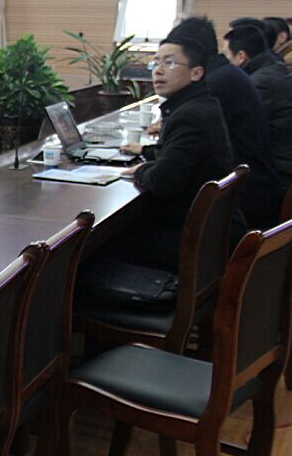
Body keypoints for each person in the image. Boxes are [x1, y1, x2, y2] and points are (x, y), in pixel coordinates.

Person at [116, 36, 237, 268]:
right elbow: (179, 156)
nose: (158, 71)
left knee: (95, 247)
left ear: (196, 73)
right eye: (155, 63)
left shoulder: (190, 115)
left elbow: (163, 181)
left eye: (169, 63)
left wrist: (141, 169)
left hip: (189, 241)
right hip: (208, 232)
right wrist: (151, 157)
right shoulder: (200, 104)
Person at [160, 17, 281, 229]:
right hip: (254, 189)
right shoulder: (226, 72)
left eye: (171, 59)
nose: (160, 68)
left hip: (246, 201)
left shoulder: (212, 84)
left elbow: (168, 175)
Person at [223, 21, 292, 189]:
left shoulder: (258, 82)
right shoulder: (274, 68)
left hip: (276, 174)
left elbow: (235, 127)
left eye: (226, 56)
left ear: (241, 56)